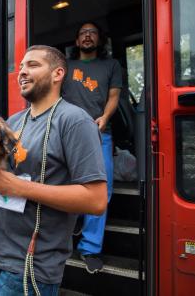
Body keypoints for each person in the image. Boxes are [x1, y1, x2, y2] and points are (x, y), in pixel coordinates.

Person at [0, 45, 108, 296]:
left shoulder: (75, 121)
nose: (22, 72)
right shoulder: (12, 122)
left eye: (33, 65)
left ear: (58, 74)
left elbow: (96, 200)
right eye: (21, 67)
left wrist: (18, 187)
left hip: (30, 267)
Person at [62, 21, 122, 274]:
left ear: (100, 39)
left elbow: (114, 97)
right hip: (68, 134)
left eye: (92, 33)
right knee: (64, 185)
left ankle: (90, 248)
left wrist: (104, 118)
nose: (87, 36)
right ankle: (69, 228)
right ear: (77, 41)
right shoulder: (66, 67)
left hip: (100, 134)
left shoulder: (111, 65)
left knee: (101, 191)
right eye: (83, 33)